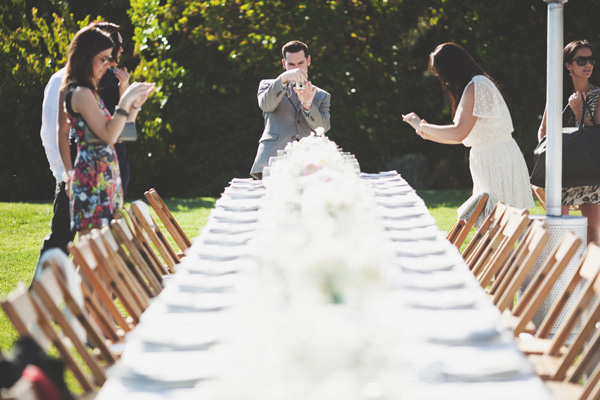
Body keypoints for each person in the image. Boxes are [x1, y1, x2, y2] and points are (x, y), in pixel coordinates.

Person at [33, 22, 132, 278]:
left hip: (106, 172)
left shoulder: (99, 85)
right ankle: (47, 301)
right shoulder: (73, 87)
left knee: (95, 248)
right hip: (85, 174)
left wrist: (127, 97)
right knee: (68, 242)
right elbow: (57, 133)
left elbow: (126, 134)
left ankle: (88, 305)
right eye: (107, 56)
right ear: (91, 53)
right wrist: (64, 174)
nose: (112, 62)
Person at [402, 42, 534, 220]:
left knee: (497, 223)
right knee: (492, 223)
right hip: (489, 157)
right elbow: (464, 138)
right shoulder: (475, 85)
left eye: (441, 73)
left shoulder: (477, 85)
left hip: (496, 159)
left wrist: (421, 125)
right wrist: (428, 135)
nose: (443, 80)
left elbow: (459, 132)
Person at [61, 27, 154, 235]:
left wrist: (135, 105)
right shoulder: (81, 93)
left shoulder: (89, 92)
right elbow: (110, 135)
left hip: (103, 173)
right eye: (103, 58)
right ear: (86, 56)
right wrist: (126, 100)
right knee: (91, 249)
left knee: (98, 250)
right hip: (92, 176)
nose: (108, 64)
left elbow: (121, 133)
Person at [538, 40, 600, 244]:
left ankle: (593, 275)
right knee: (556, 230)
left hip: (590, 171)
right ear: (568, 65)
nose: (588, 64)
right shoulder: (557, 93)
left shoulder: (597, 95)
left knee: (593, 232)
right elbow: (544, 130)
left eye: (590, 59)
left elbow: (597, 135)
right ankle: (559, 274)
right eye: (581, 60)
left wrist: (579, 110)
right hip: (561, 170)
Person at [250, 40, 331, 179]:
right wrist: (283, 79)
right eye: (291, 65)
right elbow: (266, 105)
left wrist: (307, 106)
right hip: (272, 160)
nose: (296, 69)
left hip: (309, 163)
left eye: (301, 63)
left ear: (308, 61)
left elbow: (323, 127)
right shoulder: (268, 85)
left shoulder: (321, 95)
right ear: (284, 64)